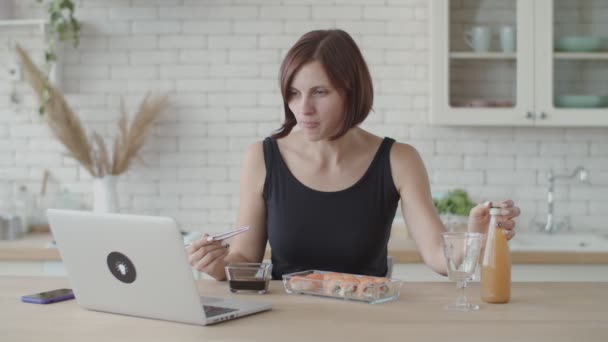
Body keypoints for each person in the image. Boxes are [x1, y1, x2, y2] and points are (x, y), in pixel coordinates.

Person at [186, 29, 521, 281]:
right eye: (294, 93)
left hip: (368, 323)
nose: (304, 109)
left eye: (320, 92)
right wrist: (218, 266)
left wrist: (475, 236)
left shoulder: (398, 160)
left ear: (351, 91)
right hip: (286, 324)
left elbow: (438, 257)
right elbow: (245, 259)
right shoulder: (261, 157)